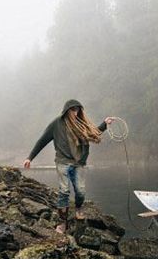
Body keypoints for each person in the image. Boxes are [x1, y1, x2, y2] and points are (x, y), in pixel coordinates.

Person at [23, 99, 114, 233]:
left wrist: (104, 124)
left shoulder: (81, 124)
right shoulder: (56, 124)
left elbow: (93, 133)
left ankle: (78, 208)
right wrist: (29, 158)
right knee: (64, 191)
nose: (75, 112)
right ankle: (62, 223)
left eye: (77, 110)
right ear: (66, 110)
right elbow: (42, 140)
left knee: (80, 192)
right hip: (62, 161)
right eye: (73, 109)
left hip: (79, 163)